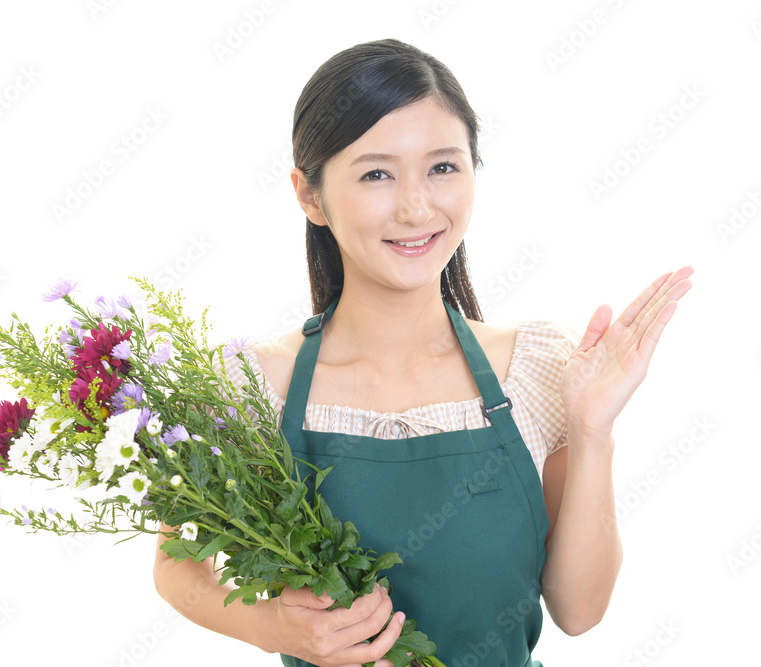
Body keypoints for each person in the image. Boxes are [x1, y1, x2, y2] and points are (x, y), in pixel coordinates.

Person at [152, 38, 694, 667]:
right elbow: (175, 566)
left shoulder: (535, 370)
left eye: (443, 167)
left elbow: (579, 611)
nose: (416, 208)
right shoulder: (253, 387)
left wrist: (592, 431)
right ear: (310, 195)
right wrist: (275, 628)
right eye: (376, 174)